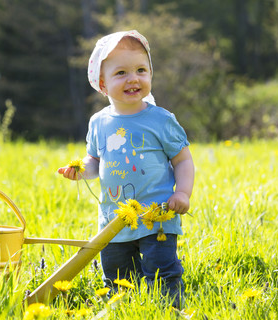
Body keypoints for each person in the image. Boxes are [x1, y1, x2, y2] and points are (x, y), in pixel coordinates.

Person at [57, 30, 195, 308]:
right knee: (118, 278)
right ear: (103, 84)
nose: (133, 78)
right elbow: (95, 160)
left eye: (141, 70)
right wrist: (80, 169)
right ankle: (126, 310)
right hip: (114, 219)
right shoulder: (99, 122)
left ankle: (169, 310)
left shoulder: (160, 120)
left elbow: (183, 160)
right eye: (121, 73)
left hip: (157, 216)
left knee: (162, 271)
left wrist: (182, 193)